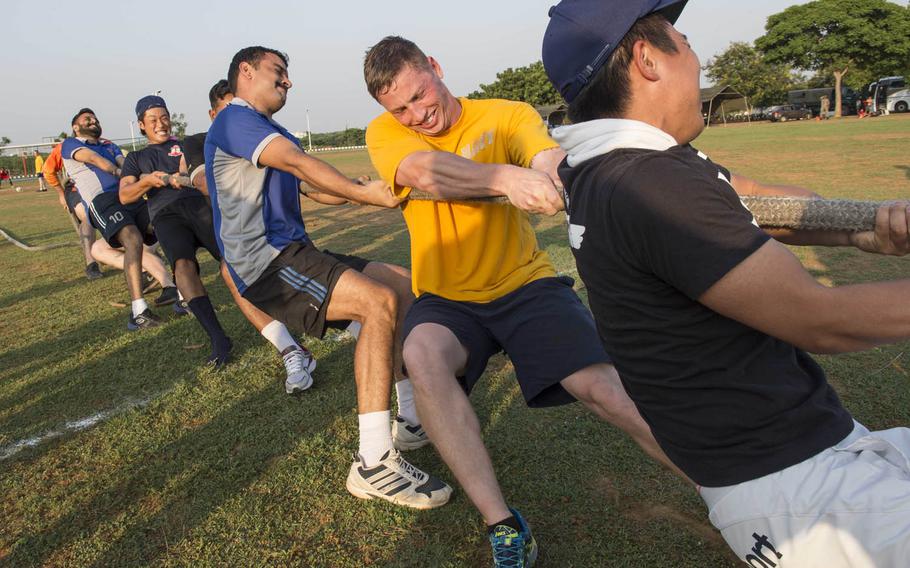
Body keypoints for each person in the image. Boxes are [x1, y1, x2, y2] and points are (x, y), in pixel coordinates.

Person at [542, 0, 910, 565]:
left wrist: (861, 229)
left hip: (791, 462)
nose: (695, 56)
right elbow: (820, 320)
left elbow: (752, 204)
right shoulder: (650, 182)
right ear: (646, 59)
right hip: (799, 490)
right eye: (683, 41)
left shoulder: (607, 167)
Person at [363, 36, 682, 566]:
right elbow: (423, 173)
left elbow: (546, 155)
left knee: (602, 388)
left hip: (525, 285)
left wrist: (554, 175)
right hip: (447, 298)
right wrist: (503, 178)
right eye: (401, 108)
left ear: (436, 67)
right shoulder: (384, 132)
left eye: (421, 95)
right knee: (421, 354)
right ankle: (503, 524)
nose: (418, 114)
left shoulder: (505, 114)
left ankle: (721, 484)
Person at [205, 46, 451, 509]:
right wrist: (366, 197)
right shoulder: (235, 120)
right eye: (279, 71)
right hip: (266, 265)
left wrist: (383, 190)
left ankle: (411, 421)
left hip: (294, 253)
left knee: (401, 284)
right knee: (376, 302)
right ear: (246, 72)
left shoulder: (267, 132)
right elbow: (301, 166)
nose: (288, 81)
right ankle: (374, 461)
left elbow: (313, 188)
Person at [118, 95, 234, 365]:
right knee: (182, 268)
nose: (161, 124)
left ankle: (275, 314)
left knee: (233, 262)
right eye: (153, 120)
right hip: (166, 216)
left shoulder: (187, 144)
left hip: (199, 207)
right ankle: (218, 338)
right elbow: (125, 196)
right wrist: (147, 181)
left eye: (165, 117)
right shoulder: (136, 158)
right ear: (141, 125)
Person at [62, 108, 177, 330]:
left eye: (95, 118)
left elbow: (124, 162)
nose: (93, 120)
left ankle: (180, 292)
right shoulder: (70, 143)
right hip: (102, 202)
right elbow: (94, 160)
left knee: (166, 224)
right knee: (132, 239)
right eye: (87, 119)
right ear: (76, 127)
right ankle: (139, 312)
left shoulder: (109, 144)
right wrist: (121, 174)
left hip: (128, 196)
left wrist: (139, 177)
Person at [43, 139, 104, 280]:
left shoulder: (104, 144)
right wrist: (60, 193)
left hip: (104, 187)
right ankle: (91, 263)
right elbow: (48, 170)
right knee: (86, 216)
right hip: (76, 188)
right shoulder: (65, 147)